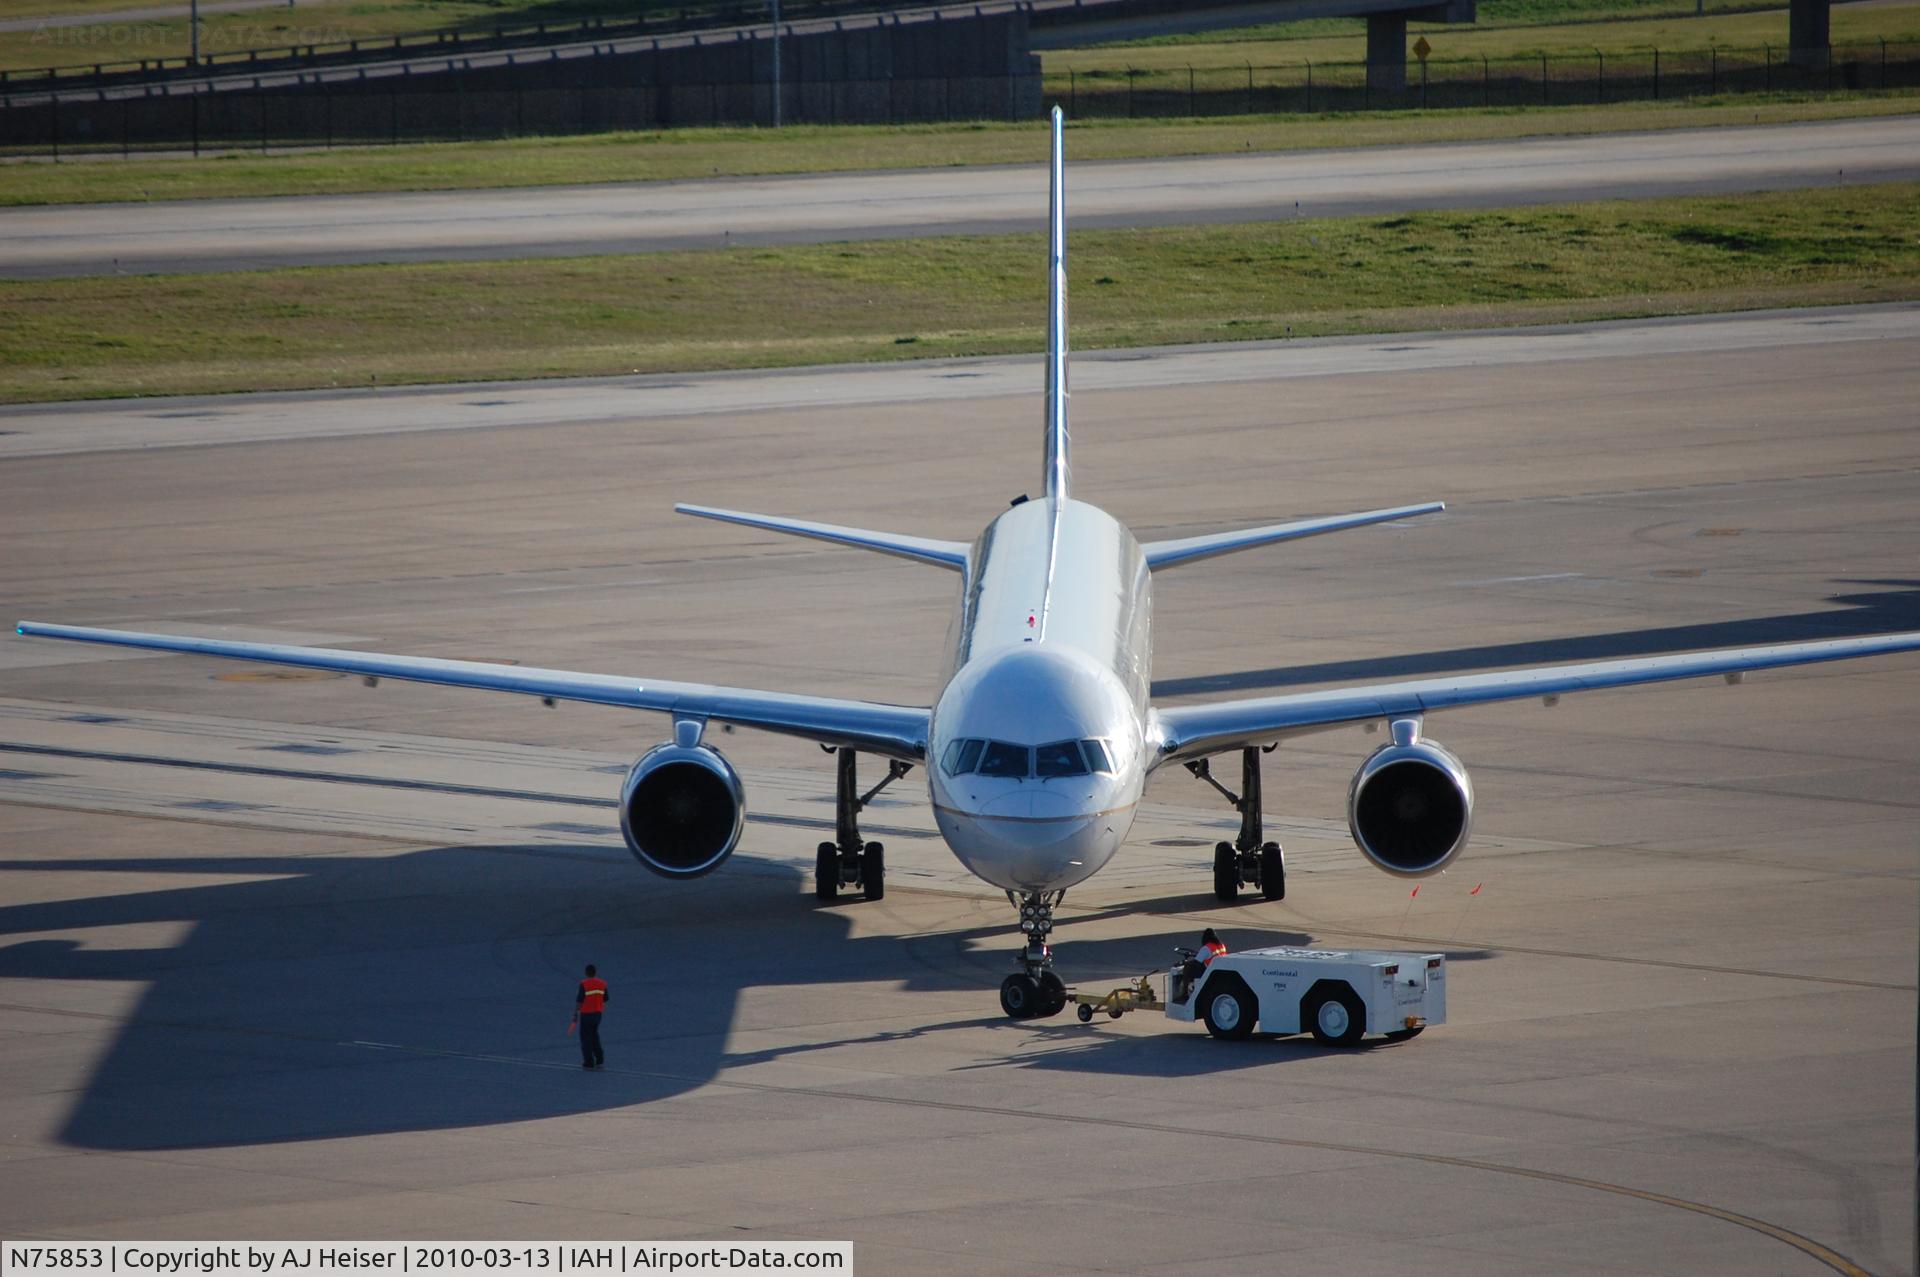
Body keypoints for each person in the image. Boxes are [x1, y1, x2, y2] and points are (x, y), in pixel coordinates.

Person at [1173, 930, 1228, 1004]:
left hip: (1209, 972)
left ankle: (1185, 993)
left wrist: (1185, 963)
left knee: (1188, 968)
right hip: (1220, 969)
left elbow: (1196, 962)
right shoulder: (1222, 945)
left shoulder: (1206, 948)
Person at [574, 963, 608, 1069]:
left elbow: (580, 1000)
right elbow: (605, 998)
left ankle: (589, 1061)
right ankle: (599, 1059)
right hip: (597, 1014)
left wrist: (575, 1013)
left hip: (586, 1014)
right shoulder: (602, 983)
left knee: (585, 1038)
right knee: (594, 1036)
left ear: (586, 973)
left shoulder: (584, 984)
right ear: (595, 972)